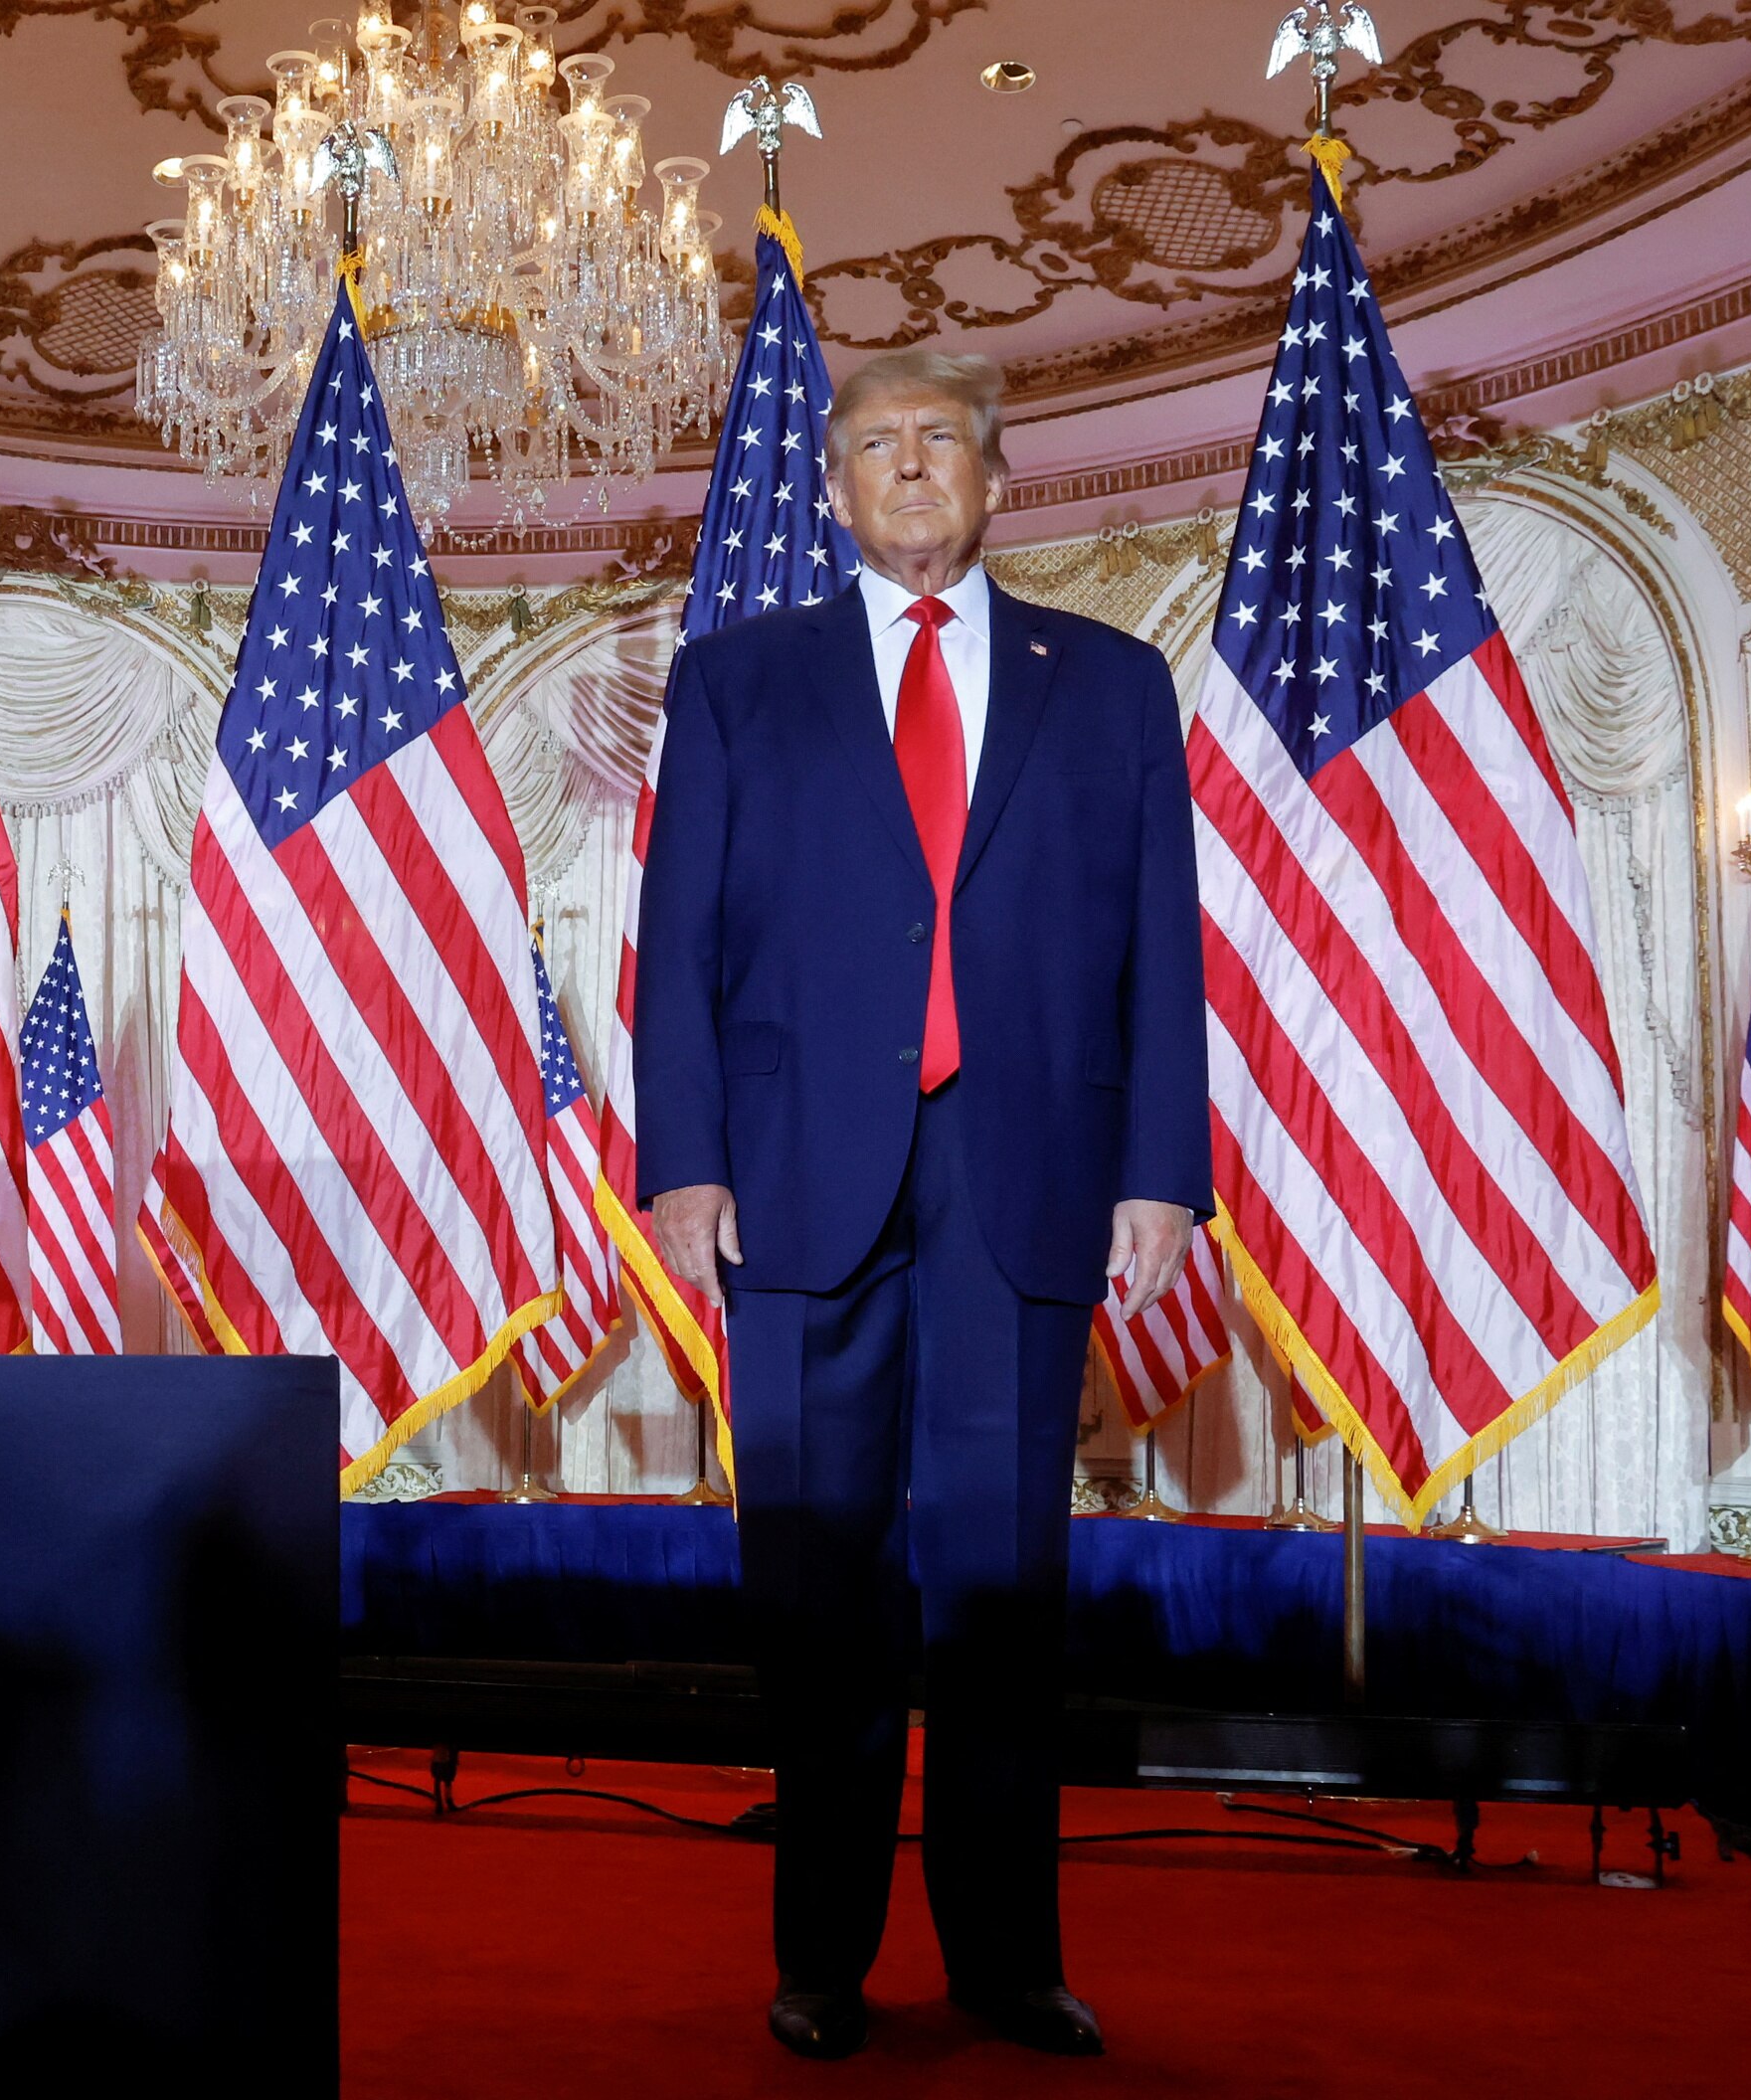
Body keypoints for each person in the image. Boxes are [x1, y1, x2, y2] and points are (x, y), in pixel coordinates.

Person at [633, 346, 1212, 2061]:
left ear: (994, 478)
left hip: (1021, 1178)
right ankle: (821, 1956)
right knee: (817, 1585)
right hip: (797, 1184)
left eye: (939, 443)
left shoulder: (1106, 685)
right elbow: (680, 943)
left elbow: (1158, 949)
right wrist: (683, 1156)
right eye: (874, 447)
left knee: (999, 1589)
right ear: (830, 487)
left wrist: (1159, 1168)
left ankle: (1003, 1961)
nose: (907, 469)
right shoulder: (737, 680)